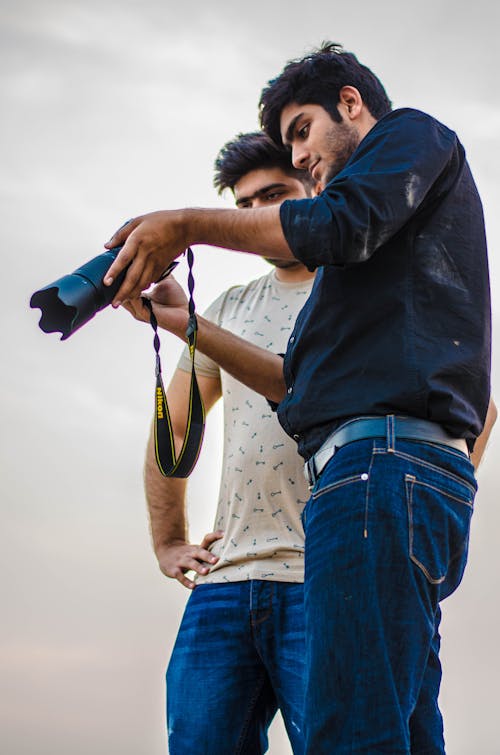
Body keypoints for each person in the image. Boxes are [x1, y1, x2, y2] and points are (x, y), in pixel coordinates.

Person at [106, 44, 493, 753]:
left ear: (350, 104)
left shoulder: (411, 136)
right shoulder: (353, 290)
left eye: (302, 132)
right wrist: (179, 322)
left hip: (379, 479)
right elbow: (295, 387)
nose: (302, 154)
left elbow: (341, 223)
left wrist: (183, 225)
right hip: (362, 488)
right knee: (396, 732)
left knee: (354, 735)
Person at [134, 132, 316, 754]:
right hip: (225, 583)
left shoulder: (368, 290)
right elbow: (175, 427)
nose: (260, 216)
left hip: (331, 576)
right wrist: (167, 541)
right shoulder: (229, 307)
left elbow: (473, 411)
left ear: (316, 187)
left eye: (276, 196)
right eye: (246, 206)